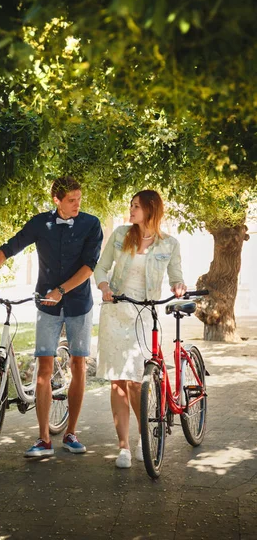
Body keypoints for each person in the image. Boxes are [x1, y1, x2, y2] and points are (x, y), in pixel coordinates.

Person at [0, 176, 103, 458]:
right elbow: (9, 248)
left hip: (78, 303)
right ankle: (43, 439)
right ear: (57, 200)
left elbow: (89, 267)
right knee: (44, 368)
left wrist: (62, 290)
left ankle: (71, 432)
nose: (77, 204)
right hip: (46, 305)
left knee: (78, 363)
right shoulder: (41, 223)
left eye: (79, 199)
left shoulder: (91, 224)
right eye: (71, 200)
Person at [93, 190, 186, 469]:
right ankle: (123, 447)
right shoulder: (121, 234)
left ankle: (143, 437)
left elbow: (176, 277)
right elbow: (100, 268)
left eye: (136, 206)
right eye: (130, 205)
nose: (130, 210)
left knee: (136, 382)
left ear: (150, 210)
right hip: (115, 311)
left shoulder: (169, 244)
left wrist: (178, 286)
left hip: (143, 314)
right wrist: (105, 286)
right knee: (117, 382)